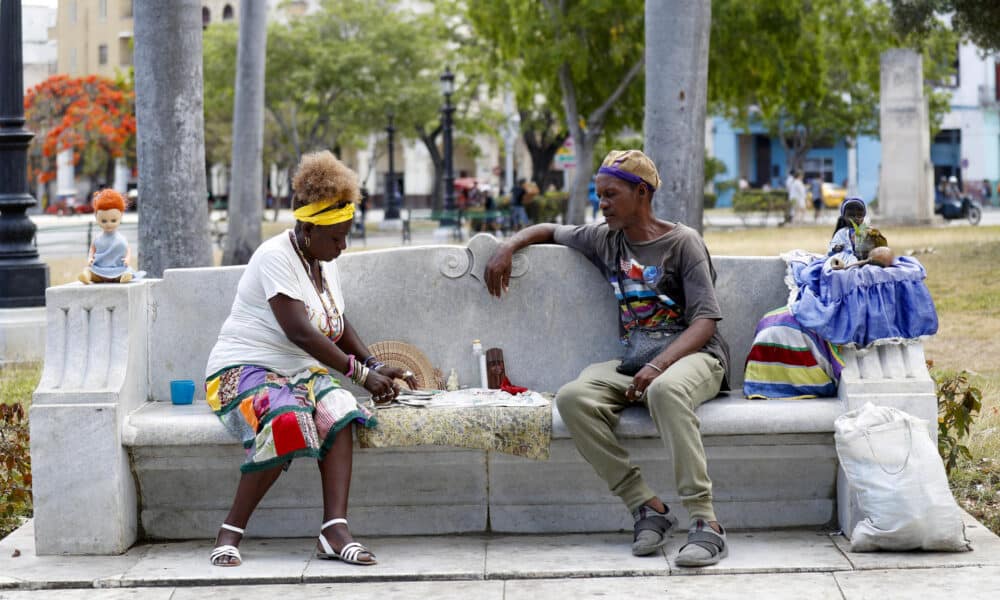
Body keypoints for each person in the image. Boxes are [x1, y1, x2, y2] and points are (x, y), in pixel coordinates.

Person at [484, 149, 731, 567]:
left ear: (641, 193)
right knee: (573, 398)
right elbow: (549, 229)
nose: (603, 204)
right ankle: (646, 506)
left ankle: (706, 522)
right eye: (599, 196)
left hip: (695, 356)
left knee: (666, 392)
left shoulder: (682, 243)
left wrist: (658, 367)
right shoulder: (605, 238)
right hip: (637, 358)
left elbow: (705, 321)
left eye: (611, 195)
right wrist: (508, 245)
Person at [204, 150, 417, 568]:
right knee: (290, 420)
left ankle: (334, 532)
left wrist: (372, 365)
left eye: (346, 235)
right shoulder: (275, 256)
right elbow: (299, 330)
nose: (343, 245)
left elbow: (335, 322)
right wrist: (358, 372)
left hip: (300, 372)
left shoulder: (323, 259)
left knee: (341, 409)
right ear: (306, 228)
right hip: (243, 370)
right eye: (336, 237)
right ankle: (230, 530)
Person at [78, 189, 145, 284]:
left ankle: (124, 277)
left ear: (121, 216)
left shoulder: (121, 238)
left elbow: (128, 250)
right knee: (89, 270)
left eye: (113, 220)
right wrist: (90, 258)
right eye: (104, 221)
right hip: (99, 269)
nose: (108, 224)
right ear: (96, 217)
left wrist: (127, 259)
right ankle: (87, 275)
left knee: (126, 271)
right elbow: (92, 249)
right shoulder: (97, 238)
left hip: (118, 269)